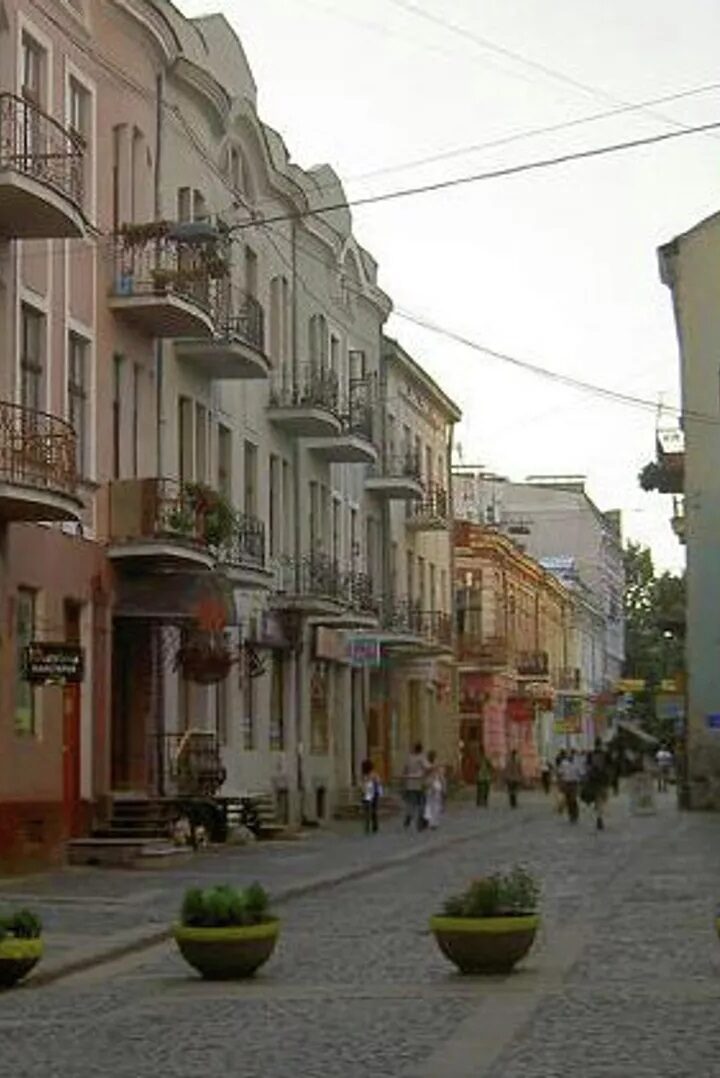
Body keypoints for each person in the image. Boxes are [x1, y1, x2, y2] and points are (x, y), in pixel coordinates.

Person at [403, 742, 429, 830]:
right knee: (422, 803)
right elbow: (427, 767)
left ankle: (409, 815)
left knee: (412, 803)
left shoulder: (409, 758)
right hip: (419, 784)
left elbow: (405, 770)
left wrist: (405, 781)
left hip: (410, 784)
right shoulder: (421, 758)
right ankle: (420, 822)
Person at [586, 738, 610, 830]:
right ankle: (600, 816)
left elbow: (587, 767)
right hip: (603, 780)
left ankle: (599, 814)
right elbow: (609, 767)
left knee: (598, 798)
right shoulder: (605, 754)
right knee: (602, 798)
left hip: (594, 780)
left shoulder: (590, 754)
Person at [423, 750, 446, 829]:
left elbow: (441, 776)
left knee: (431, 803)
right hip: (433, 785)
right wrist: (444, 787)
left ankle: (431, 821)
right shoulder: (435, 766)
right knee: (434, 804)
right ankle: (433, 822)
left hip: (431, 785)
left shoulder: (428, 765)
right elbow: (441, 777)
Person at [360, 758, 382, 835]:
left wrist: (363, 792)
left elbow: (363, 785)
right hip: (373, 793)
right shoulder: (374, 774)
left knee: (367, 811)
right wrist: (379, 792)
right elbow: (378, 783)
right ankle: (374, 826)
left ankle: (367, 826)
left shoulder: (364, 775)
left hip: (368, 792)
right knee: (373, 810)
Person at [558, 749, 580, 824]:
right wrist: (560, 781)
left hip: (574, 783)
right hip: (566, 783)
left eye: (573, 755)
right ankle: (571, 814)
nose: (571, 756)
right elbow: (560, 772)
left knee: (573, 799)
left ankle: (575, 814)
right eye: (570, 755)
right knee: (568, 800)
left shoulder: (577, 763)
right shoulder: (564, 763)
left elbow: (581, 772)